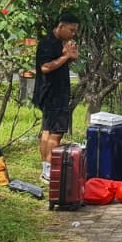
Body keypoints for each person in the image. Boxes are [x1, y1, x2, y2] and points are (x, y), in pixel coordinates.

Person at [34, 12, 80, 177]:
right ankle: (49, 171)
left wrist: (70, 57)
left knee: (47, 131)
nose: (73, 34)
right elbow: (45, 67)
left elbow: (60, 63)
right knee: (56, 134)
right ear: (60, 26)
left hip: (51, 93)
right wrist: (66, 56)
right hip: (53, 94)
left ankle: (45, 169)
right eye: (71, 30)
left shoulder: (59, 43)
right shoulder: (48, 43)